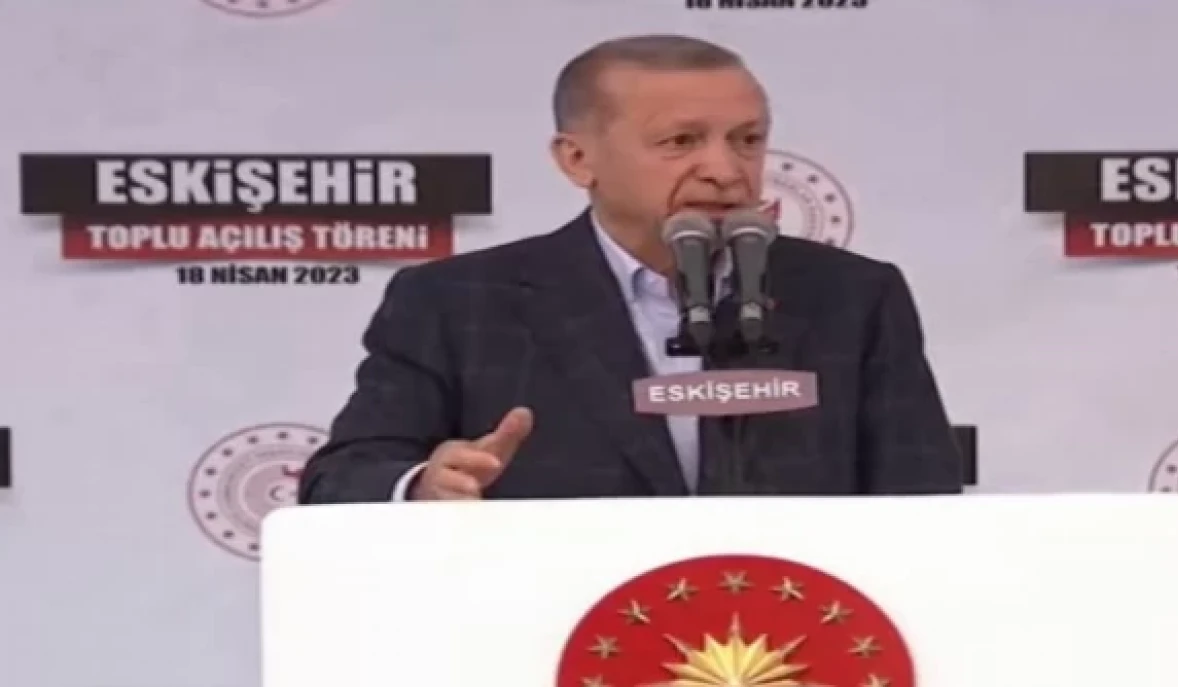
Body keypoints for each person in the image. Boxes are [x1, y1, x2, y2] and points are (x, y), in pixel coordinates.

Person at [297, 34, 963, 504]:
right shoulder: (456, 302)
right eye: (680, 141)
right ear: (577, 160)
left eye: (747, 140)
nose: (725, 169)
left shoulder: (853, 297)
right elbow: (341, 478)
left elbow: (923, 500)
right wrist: (425, 485)